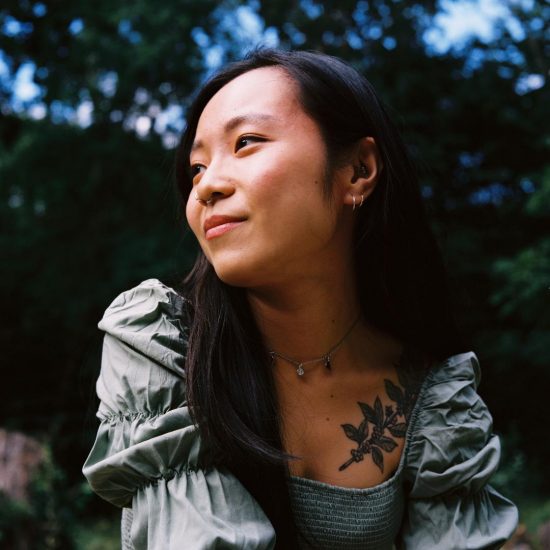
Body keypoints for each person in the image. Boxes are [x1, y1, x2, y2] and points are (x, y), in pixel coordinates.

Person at [83, 49, 518, 549]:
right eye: (197, 168)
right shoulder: (160, 349)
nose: (205, 188)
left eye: (246, 142)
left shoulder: (435, 401)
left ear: (358, 170)